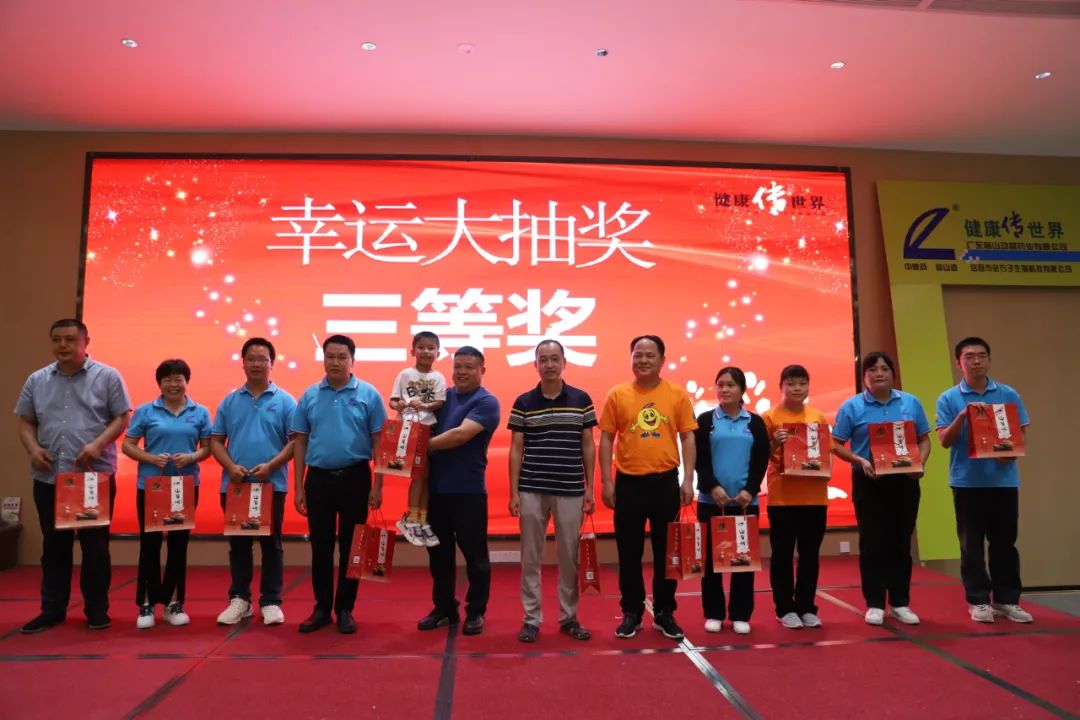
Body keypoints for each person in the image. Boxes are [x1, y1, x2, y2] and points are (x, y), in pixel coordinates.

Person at [15, 318, 132, 633]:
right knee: (54, 546)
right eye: (56, 339)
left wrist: (98, 444)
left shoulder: (107, 376)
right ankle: (52, 610)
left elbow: (122, 417)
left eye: (69, 339)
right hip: (50, 475)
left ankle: (96, 610)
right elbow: (26, 422)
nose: (62, 345)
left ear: (85, 342)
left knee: (95, 548)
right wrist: (33, 449)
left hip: (91, 477)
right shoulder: (37, 379)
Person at [599, 335, 696, 640]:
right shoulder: (618, 394)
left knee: (668, 552)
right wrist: (606, 481)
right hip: (628, 483)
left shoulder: (676, 394)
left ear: (662, 360)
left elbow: (688, 437)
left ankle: (665, 612)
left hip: (665, 482)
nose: (643, 360)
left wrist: (688, 479)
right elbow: (606, 438)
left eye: (649, 355)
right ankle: (632, 612)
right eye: (637, 355)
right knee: (628, 552)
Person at [291, 334, 386, 634]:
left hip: (356, 477)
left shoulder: (369, 394)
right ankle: (321, 608)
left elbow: (379, 442)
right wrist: (298, 487)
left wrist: (378, 485)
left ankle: (345, 608)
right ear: (323, 359)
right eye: (330, 356)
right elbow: (300, 442)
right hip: (318, 479)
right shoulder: (309, 395)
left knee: (352, 546)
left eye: (342, 357)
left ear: (352, 360)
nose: (335, 362)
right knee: (320, 547)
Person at [935, 337, 1033, 624]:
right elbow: (944, 440)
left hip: (1003, 481)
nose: (976, 361)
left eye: (981, 356)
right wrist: (962, 417)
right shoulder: (948, 398)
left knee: (1005, 543)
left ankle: (1007, 600)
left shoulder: (1007, 394)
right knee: (972, 546)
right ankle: (978, 601)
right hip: (967, 482)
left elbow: (1020, 433)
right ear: (959, 362)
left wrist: (1010, 454)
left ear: (989, 359)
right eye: (969, 357)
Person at [832, 352, 931, 627]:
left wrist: (920, 464)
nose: (879, 373)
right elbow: (836, 444)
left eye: (884, 368)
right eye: (872, 369)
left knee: (900, 542)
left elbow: (924, 439)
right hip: (869, 481)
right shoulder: (852, 406)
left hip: (904, 481)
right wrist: (859, 460)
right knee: (872, 543)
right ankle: (875, 603)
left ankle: (900, 602)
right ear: (864, 376)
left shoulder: (910, 403)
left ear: (892, 373)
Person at [508, 339, 597, 643]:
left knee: (569, 557)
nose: (549, 365)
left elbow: (588, 445)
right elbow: (516, 449)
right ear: (535, 364)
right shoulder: (523, 402)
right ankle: (531, 619)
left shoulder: (581, 399)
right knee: (530, 557)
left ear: (564, 363)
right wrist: (514, 492)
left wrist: (590, 488)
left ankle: (569, 617)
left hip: (570, 488)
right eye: (543, 359)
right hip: (531, 488)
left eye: (554, 359)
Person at [210, 337, 296, 627]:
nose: (257, 364)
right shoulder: (230, 401)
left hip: (272, 484)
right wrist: (230, 466)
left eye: (262, 359)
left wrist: (271, 466)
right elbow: (216, 441)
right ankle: (240, 599)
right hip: (236, 484)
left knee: (272, 545)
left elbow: (295, 442)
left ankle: (271, 600)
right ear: (243, 362)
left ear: (272, 363)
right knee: (239, 545)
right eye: (252, 359)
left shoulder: (285, 401)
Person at [122, 359, 212, 629]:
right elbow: (128, 445)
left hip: (184, 486)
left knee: (178, 545)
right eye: (167, 379)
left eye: (178, 379)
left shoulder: (200, 411)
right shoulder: (146, 411)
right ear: (159, 383)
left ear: (187, 381)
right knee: (150, 544)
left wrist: (192, 456)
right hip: (152, 486)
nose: (173, 384)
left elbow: (208, 447)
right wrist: (151, 458)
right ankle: (146, 603)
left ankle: (174, 603)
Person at [417, 346, 500, 636]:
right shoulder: (443, 397)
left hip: (469, 493)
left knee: (476, 557)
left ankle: (475, 612)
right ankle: (444, 608)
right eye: (457, 367)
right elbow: (418, 421)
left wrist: (419, 446)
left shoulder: (487, 401)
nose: (462, 372)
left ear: (482, 370)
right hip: (437, 492)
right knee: (438, 556)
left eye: (469, 367)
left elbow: (460, 435)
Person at [693, 367, 770, 635]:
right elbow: (699, 459)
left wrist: (750, 490)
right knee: (711, 562)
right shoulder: (706, 420)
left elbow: (761, 460)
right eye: (720, 384)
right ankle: (714, 613)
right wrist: (712, 487)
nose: (724, 389)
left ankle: (740, 614)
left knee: (743, 562)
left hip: (746, 503)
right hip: (711, 501)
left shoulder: (755, 422)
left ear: (742, 390)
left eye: (731, 385)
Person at [761, 365, 830, 630]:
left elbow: (826, 452)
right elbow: (759, 456)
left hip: (814, 497)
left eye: (802, 383)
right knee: (782, 555)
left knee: (810, 555)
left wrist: (826, 471)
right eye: (791, 383)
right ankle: (785, 608)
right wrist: (774, 443)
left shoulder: (817, 417)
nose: (797, 388)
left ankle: (807, 607)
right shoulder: (769, 417)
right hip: (782, 497)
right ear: (781, 387)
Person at [388, 331, 446, 547]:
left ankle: (420, 520)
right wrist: (400, 405)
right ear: (413, 351)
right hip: (409, 430)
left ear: (438, 353)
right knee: (419, 475)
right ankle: (411, 520)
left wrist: (426, 405)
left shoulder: (438, 377)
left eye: (431, 348)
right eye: (421, 347)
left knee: (427, 477)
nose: (426, 351)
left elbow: (440, 402)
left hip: (430, 430)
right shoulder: (405, 374)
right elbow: (393, 401)